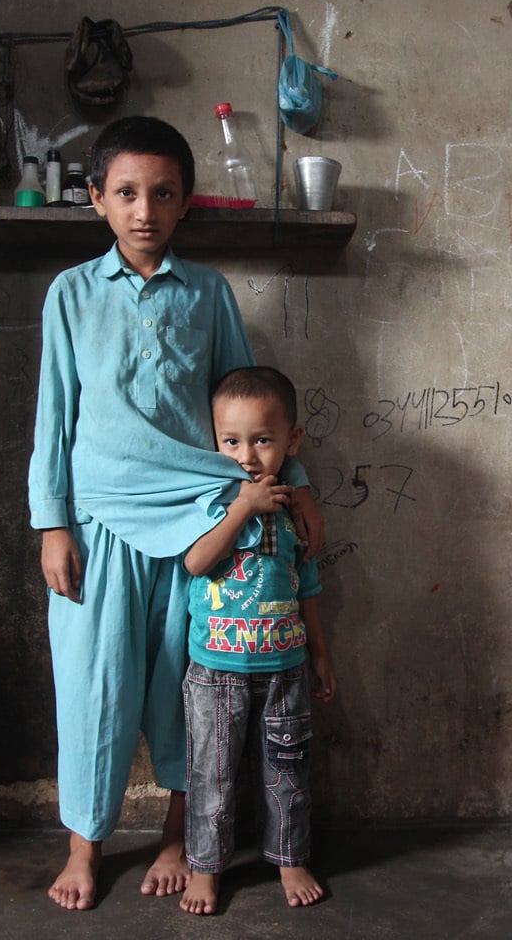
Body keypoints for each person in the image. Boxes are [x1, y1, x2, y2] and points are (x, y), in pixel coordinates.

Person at [28, 117, 324, 912]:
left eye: (162, 193)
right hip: (98, 518)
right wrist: (52, 522)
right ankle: (84, 847)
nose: (144, 209)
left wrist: (294, 486)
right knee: (94, 689)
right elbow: (53, 415)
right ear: (97, 200)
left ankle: (179, 833)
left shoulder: (208, 294)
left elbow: (246, 404)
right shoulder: (72, 295)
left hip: (200, 516)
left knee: (187, 686)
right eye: (125, 192)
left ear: (185, 203)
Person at [178, 365, 337, 915]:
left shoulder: (296, 509)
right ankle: (206, 867)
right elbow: (197, 560)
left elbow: (308, 587)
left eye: (263, 440)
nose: (246, 455)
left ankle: (290, 858)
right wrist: (243, 506)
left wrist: (320, 655)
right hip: (215, 672)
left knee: (287, 773)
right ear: (214, 440)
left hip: (284, 670)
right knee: (212, 778)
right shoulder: (211, 495)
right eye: (231, 440)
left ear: (291, 442)